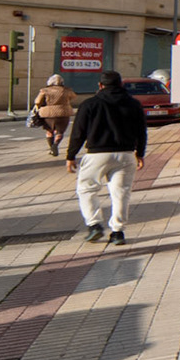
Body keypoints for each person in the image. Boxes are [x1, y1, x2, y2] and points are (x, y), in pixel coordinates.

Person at [65, 70, 147, 245]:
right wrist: (140, 153)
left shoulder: (89, 104)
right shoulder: (134, 104)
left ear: (100, 86)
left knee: (86, 189)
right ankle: (117, 232)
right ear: (121, 85)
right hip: (125, 154)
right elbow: (141, 131)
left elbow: (78, 132)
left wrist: (71, 155)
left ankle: (94, 225)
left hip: (97, 154)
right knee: (121, 193)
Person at [30, 76, 75, 156]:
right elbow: (73, 97)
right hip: (63, 113)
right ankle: (55, 145)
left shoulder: (44, 91)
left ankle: (51, 148)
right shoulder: (67, 90)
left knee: (49, 131)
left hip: (48, 113)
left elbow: (37, 101)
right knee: (60, 131)